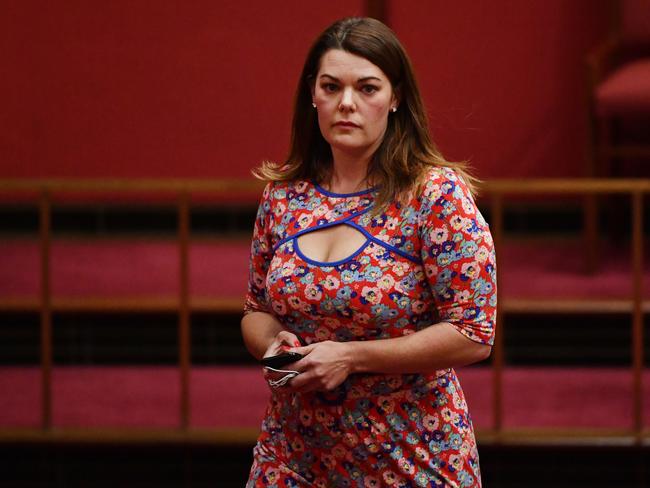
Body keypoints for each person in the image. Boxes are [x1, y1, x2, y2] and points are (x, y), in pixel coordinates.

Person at [241, 16, 496, 488]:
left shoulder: (435, 196)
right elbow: (255, 310)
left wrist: (351, 357)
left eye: (368, 88)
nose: (347, 104)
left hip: (411, 456)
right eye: (331, 86)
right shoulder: (283, 195)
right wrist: (272, 343)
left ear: (395, 98)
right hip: (293, 453)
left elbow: (473, 333)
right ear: (312, 96)